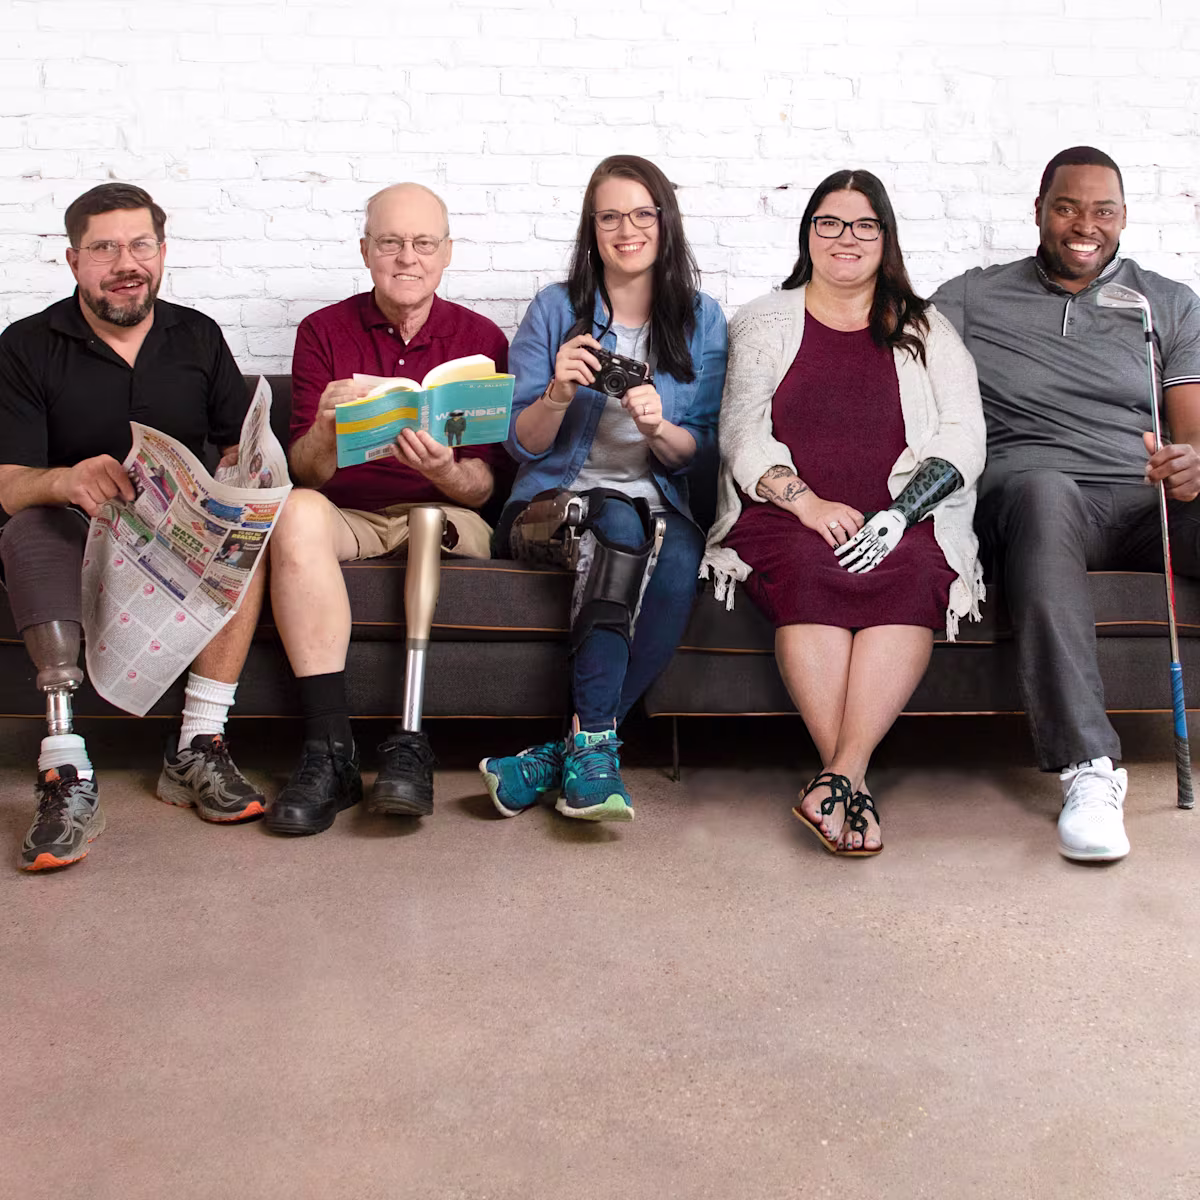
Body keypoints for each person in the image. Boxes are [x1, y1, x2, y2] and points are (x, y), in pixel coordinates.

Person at [702, 169, 986, 856]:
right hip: (786, 514)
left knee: (916, 572)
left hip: (901, 517)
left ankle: (837, 778)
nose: (845, 238)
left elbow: (963, 437)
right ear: (808, 234)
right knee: (809, 568)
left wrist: (898, 515)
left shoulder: (928, 330)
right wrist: (805, 502)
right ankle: (851, 784)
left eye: (864, 224)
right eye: (828, 222)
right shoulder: (766, 319)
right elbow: (741, 430)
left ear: (885, 238)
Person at [931, 146, 1200, 863]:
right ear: (1040, 212)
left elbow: (1192, 426)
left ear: (1123, 217)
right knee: (1045, 489)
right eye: (1067, 206)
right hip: (1035, 494)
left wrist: (1191, 462)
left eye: (1103, 209)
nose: (1086, 224)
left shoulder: (1165, 302)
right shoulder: (973, 296)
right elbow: (887, 355)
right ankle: (1089, 768)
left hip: (1145, 500)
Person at [0, 183, 267, 872]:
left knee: (251, 535)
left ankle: (197, 747)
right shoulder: (26, 346)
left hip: (174, 536)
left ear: (162, 252)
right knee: (29, 528)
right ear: (73, 260)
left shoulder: (199, 335)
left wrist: (244, 475)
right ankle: (65, 770)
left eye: (140, 244)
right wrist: (65, 480)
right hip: (70, 529)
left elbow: (235, 445)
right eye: (105, 247)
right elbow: (8, 484)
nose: (126, 261)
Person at [478, 154, 727, 822]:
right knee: (617, 520)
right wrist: (557, 393)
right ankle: (590, 751)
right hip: (548, 508)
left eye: (642, 213)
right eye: (610, 216)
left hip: (657, 509)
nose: (627, 229)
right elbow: (521, 444)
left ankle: (572, 752)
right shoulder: (555, 310)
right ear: (592, 230)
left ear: (664, 224)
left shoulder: (702, 321)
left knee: (678, 554)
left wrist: (657, 428)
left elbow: (698, 454)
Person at [265, 183, 509, 836]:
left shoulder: (481, 340)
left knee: (433, 517)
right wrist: (322, 429)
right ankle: (330, 751)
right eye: (391, 242)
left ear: (446, 253)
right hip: (351, 516)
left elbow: (486, 489)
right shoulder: (323, 331)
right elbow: (304, 472)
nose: (408, 257)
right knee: (294, 512)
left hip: (446, 516)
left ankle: (409, 740)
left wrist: (444, 470)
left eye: (423, 243)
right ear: (366, 250)